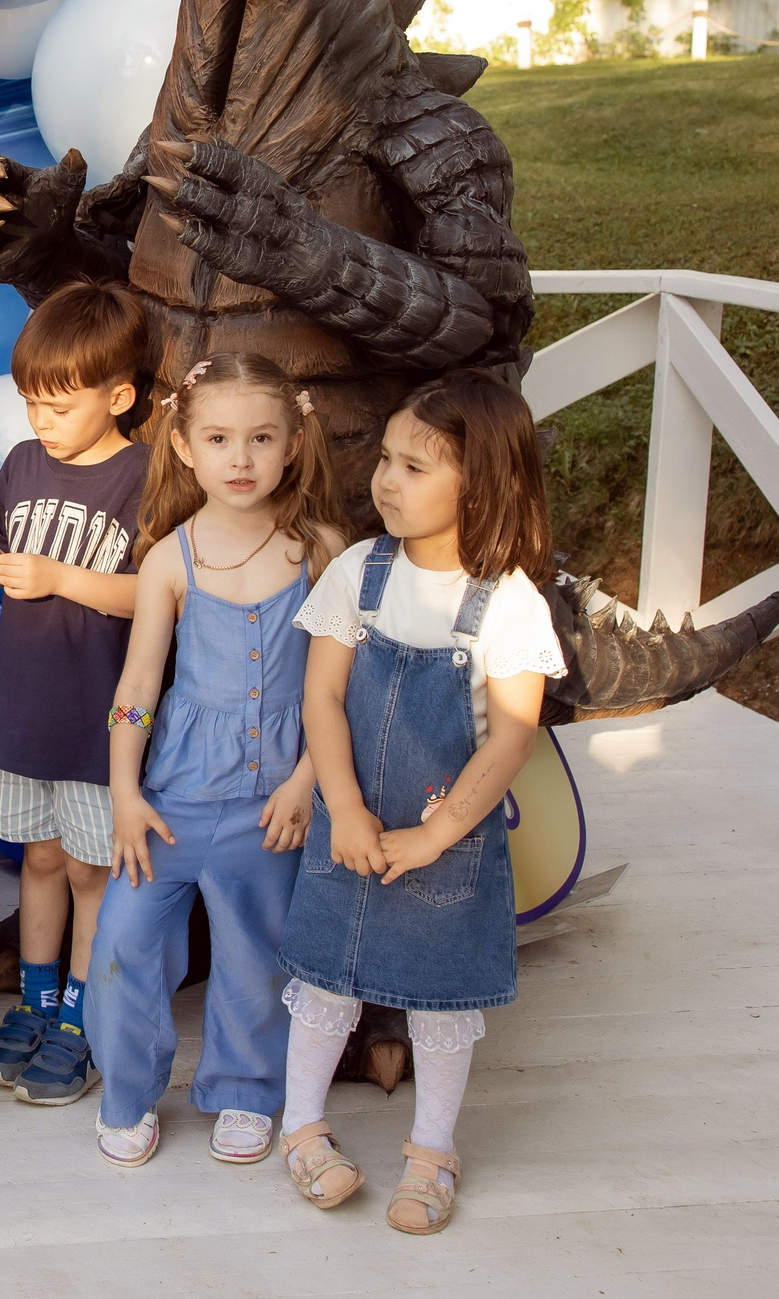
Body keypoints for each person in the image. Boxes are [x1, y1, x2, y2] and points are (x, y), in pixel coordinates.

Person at [277, 371, 566, 1233]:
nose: (386, 479)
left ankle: (432, 1150)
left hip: (450, 837)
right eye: (387, 459)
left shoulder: (507, 605)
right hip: (350, 820)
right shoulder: (361, 574)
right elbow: (322, 699)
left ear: (481, 483)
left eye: (415, 466)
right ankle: (302, 1127)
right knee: (325, 979)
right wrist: (347, 809)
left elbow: (509, 736)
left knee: (442, 998)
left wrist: (434, 833)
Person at [82, 355, 345, 1170]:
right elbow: (137, 688)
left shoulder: (324, 552)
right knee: (123, 951)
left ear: (294, 442)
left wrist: (307, 781)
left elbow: (344, 689)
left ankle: (244, 1089)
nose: (241, 458)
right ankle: (128, 1093)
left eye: (262, 438)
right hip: (170, 801)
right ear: (186, 446)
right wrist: (125, 791)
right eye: (221, 438)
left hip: (274, 805)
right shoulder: (169, 559)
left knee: (254, 962)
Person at [0, 280, 155, 1109]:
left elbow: (154, 593)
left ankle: (83, 1015)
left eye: (60, 404)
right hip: (22, 715)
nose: (42, 420)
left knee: (89, 872)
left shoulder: (144, 473)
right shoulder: (22, 463)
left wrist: (56, 578)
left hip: (95, 724)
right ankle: (38, 1002)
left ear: (119, 396)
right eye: (31, 402)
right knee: (35, 860)